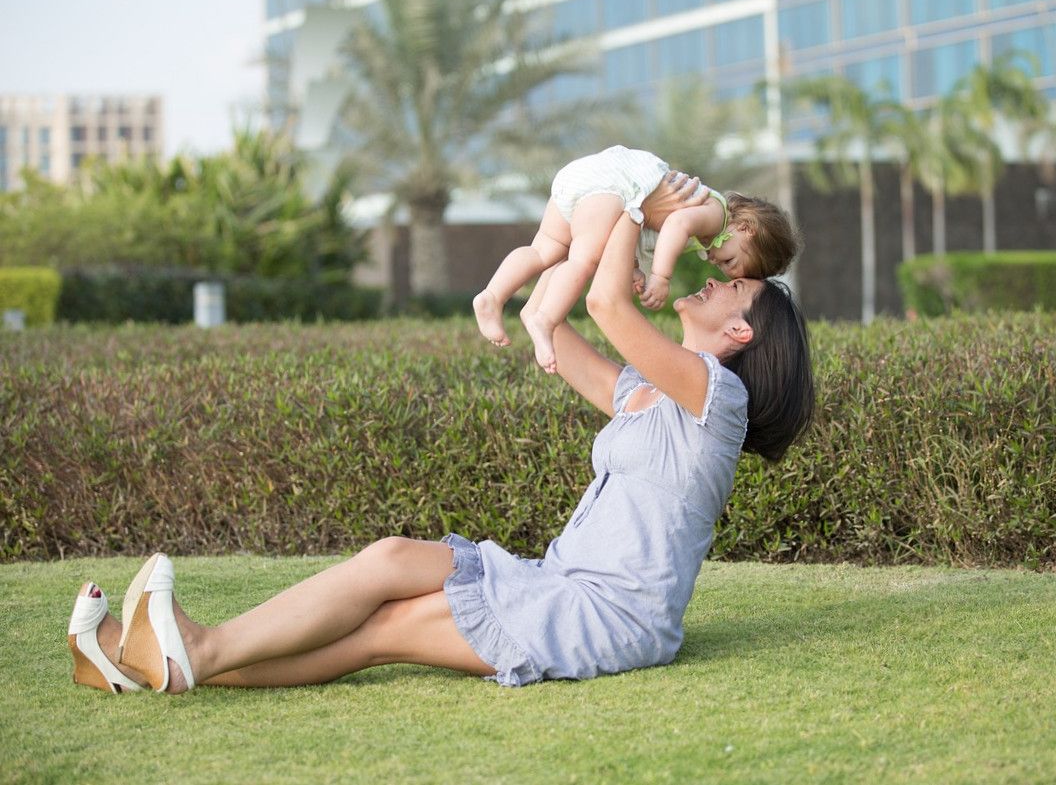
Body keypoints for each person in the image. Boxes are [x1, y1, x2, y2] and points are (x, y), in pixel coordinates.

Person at [66, 174, 815, 693]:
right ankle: (135, 659)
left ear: (742, 329)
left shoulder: (717, 398)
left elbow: (612, 306)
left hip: (608, 616)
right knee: (391, 560)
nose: (716, 277)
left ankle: (190, 653)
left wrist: (629, 193)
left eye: (735, 285)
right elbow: (567, 335)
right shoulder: (652, 391)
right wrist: (533, 279)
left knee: (387, 629)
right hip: (554, 577)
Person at [473, 145, 799, 373]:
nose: (717, 265)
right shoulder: (716, 215)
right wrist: (660, 277)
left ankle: (492, 295)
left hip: (588, 179)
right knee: (583, 260)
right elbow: (673, 222)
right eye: (730, 263)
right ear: (746, 229)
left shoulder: (709, 227)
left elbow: (640, 226)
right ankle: (544, 319)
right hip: (615, 186)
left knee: (545, 250)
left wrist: (633, 268)